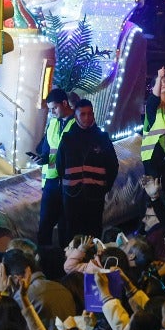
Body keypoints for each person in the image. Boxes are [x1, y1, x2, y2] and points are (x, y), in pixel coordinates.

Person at [56, 97, 117, 240]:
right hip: (72, 196)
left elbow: (113, 165)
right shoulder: (67, 138)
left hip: (95, 196)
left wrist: (104, 188)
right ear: (76, 115)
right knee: (72, 233)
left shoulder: (102, 138)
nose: (87, 117)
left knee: (93, 233)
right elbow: (60, 165)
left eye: (89, 113)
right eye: (82, 114)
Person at [32, 89, 75, 249]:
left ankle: (66, 263)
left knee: (65, 226)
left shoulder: (77, 123)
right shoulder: (53, 123)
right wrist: (41, 158)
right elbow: (46, 148)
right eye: (50, 109)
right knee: (44, 226)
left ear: (64, 103)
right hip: (51, 181)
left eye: (54, 108)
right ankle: (44, 261)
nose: (51, 112)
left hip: (68, 182)